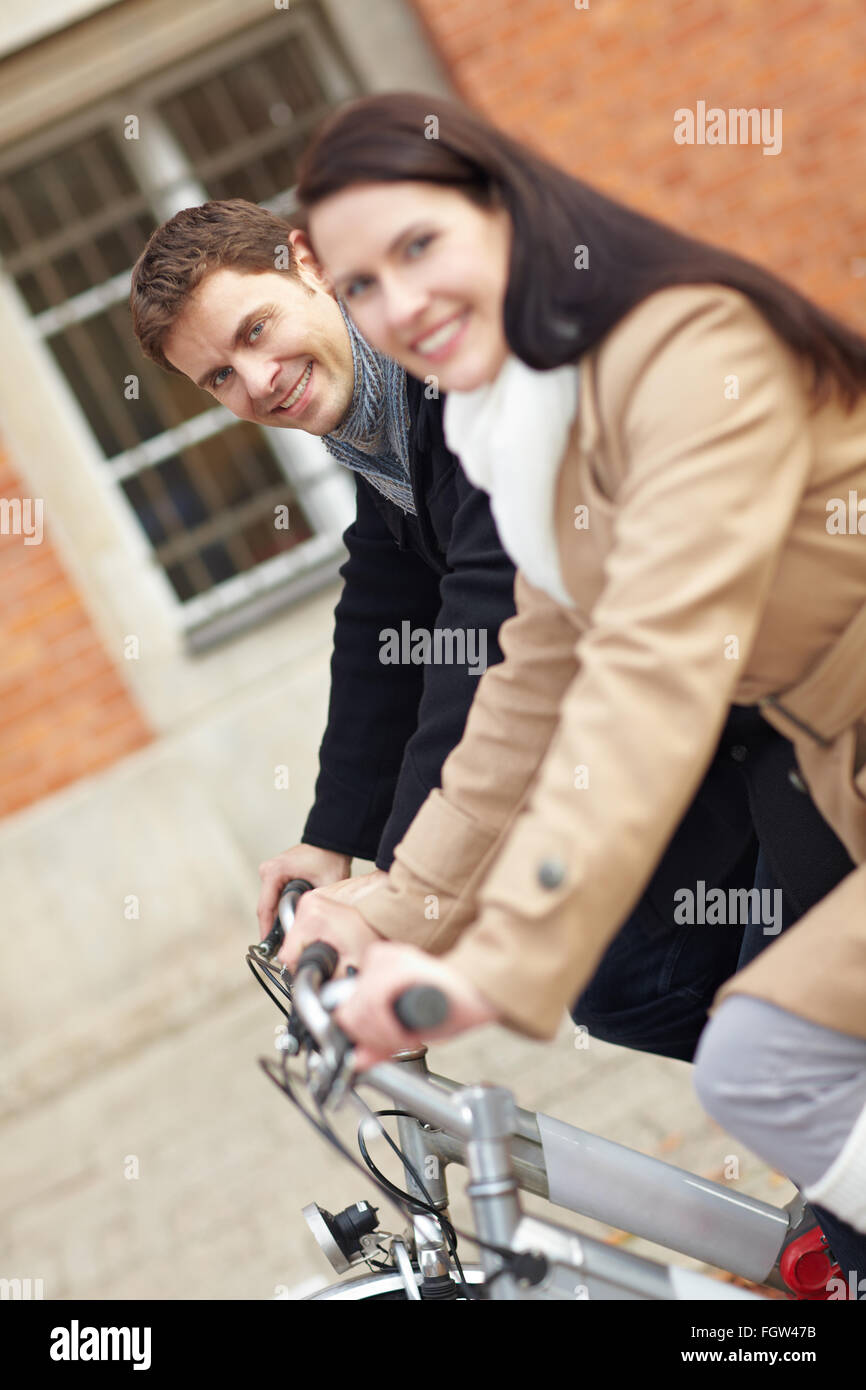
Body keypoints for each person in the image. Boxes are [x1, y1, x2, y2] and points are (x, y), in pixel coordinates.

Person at [284, 92, 866, 1264]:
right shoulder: (526, 423)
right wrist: (392, 910)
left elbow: (645, 683)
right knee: (759, 1064)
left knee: (770, 1056)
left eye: (417, 247)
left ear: (502, 206)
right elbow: (525, 693)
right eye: (358, 286)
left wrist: (499, 960)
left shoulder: (677, 353)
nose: (396, 307)